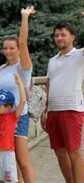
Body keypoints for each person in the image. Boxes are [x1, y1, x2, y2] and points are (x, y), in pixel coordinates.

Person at [0, 7, 36, 183]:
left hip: (18, 117)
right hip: (1, 119)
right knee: (9, 161)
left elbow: (23, 42)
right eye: (5, 48)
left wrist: (24, 17)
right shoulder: (2, 68)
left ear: (17, 49)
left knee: (22, 161)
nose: (8, 51)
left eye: (11, 48)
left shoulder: (23, 68)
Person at [42, 22, 84, 183]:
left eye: (63, 35)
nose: (59, 38)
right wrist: (45, 112)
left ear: (72, 37)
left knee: (74, 152)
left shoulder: (79, 55)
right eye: (57, 35)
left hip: (72, 109)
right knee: (59, 152)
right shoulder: (52, 61)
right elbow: (49, 85)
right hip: (53, 111)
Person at [0, 74, 26, 183]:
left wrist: (20, 85)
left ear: (8, 107)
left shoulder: (12, 116)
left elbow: (22, 102)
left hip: (7, 154)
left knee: (10, 180)